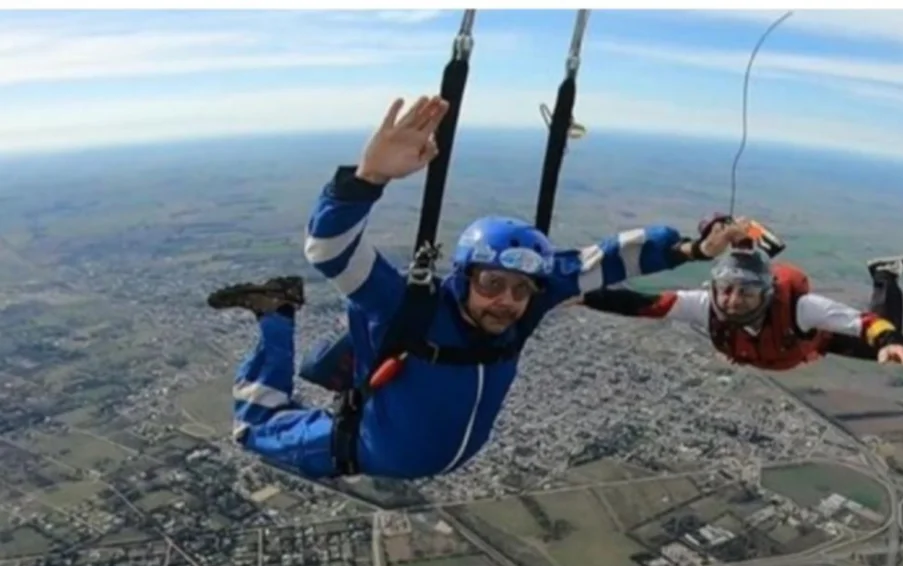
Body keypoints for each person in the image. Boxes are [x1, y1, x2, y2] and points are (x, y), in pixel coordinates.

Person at [205, 95, 748, 481]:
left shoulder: (526, 307)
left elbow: (605, 260)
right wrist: (368, 178)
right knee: (254, 429)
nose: (506, 301)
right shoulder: (408, 305)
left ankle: (279, 313)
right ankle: (276, 313)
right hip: (364, 449)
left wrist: (691, 250)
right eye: (491, 283)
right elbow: (329, 250)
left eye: (520, 289)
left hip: (413, 456)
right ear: (463, 277)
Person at [578, 215, 903, 372]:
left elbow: (865, 323)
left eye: (745, 294)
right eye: (726, 291)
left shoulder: (802, 309)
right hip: (787, 348)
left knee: (879, 349)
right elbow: (644, 304)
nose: (732, 301)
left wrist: (892, 340)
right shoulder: (706, 305)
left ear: (766, 294)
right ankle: (753, 241)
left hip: (812, 339)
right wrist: (583, 296)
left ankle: (885, 274)